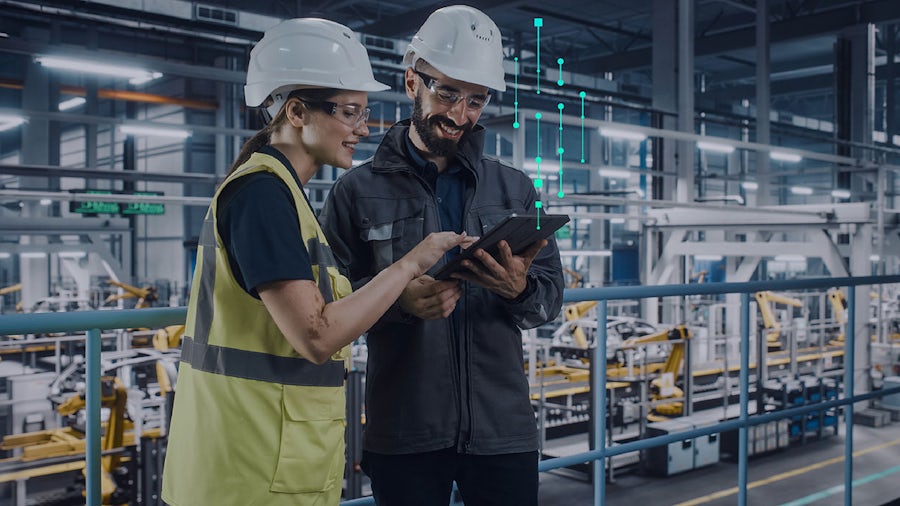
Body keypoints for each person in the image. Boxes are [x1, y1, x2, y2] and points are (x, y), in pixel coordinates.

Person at [161, 18, 466, 506]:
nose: (363, 130)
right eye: (349, 112)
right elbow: (317, 335)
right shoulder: (262, 195)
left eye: (364, 113)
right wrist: (407, 266)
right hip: (246, 471)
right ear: (297, 111)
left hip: (271, 460)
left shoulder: (285, 195)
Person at [320, 6, 564, 505]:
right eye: (446, 92)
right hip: (406, 428)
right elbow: (327, 311)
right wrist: (399, 304)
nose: (459, 114)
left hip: (502, 430)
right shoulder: (356, 192)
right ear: (413, 81)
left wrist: (519, 290)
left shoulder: (516, 189)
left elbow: (549, 304)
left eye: (476, 100)